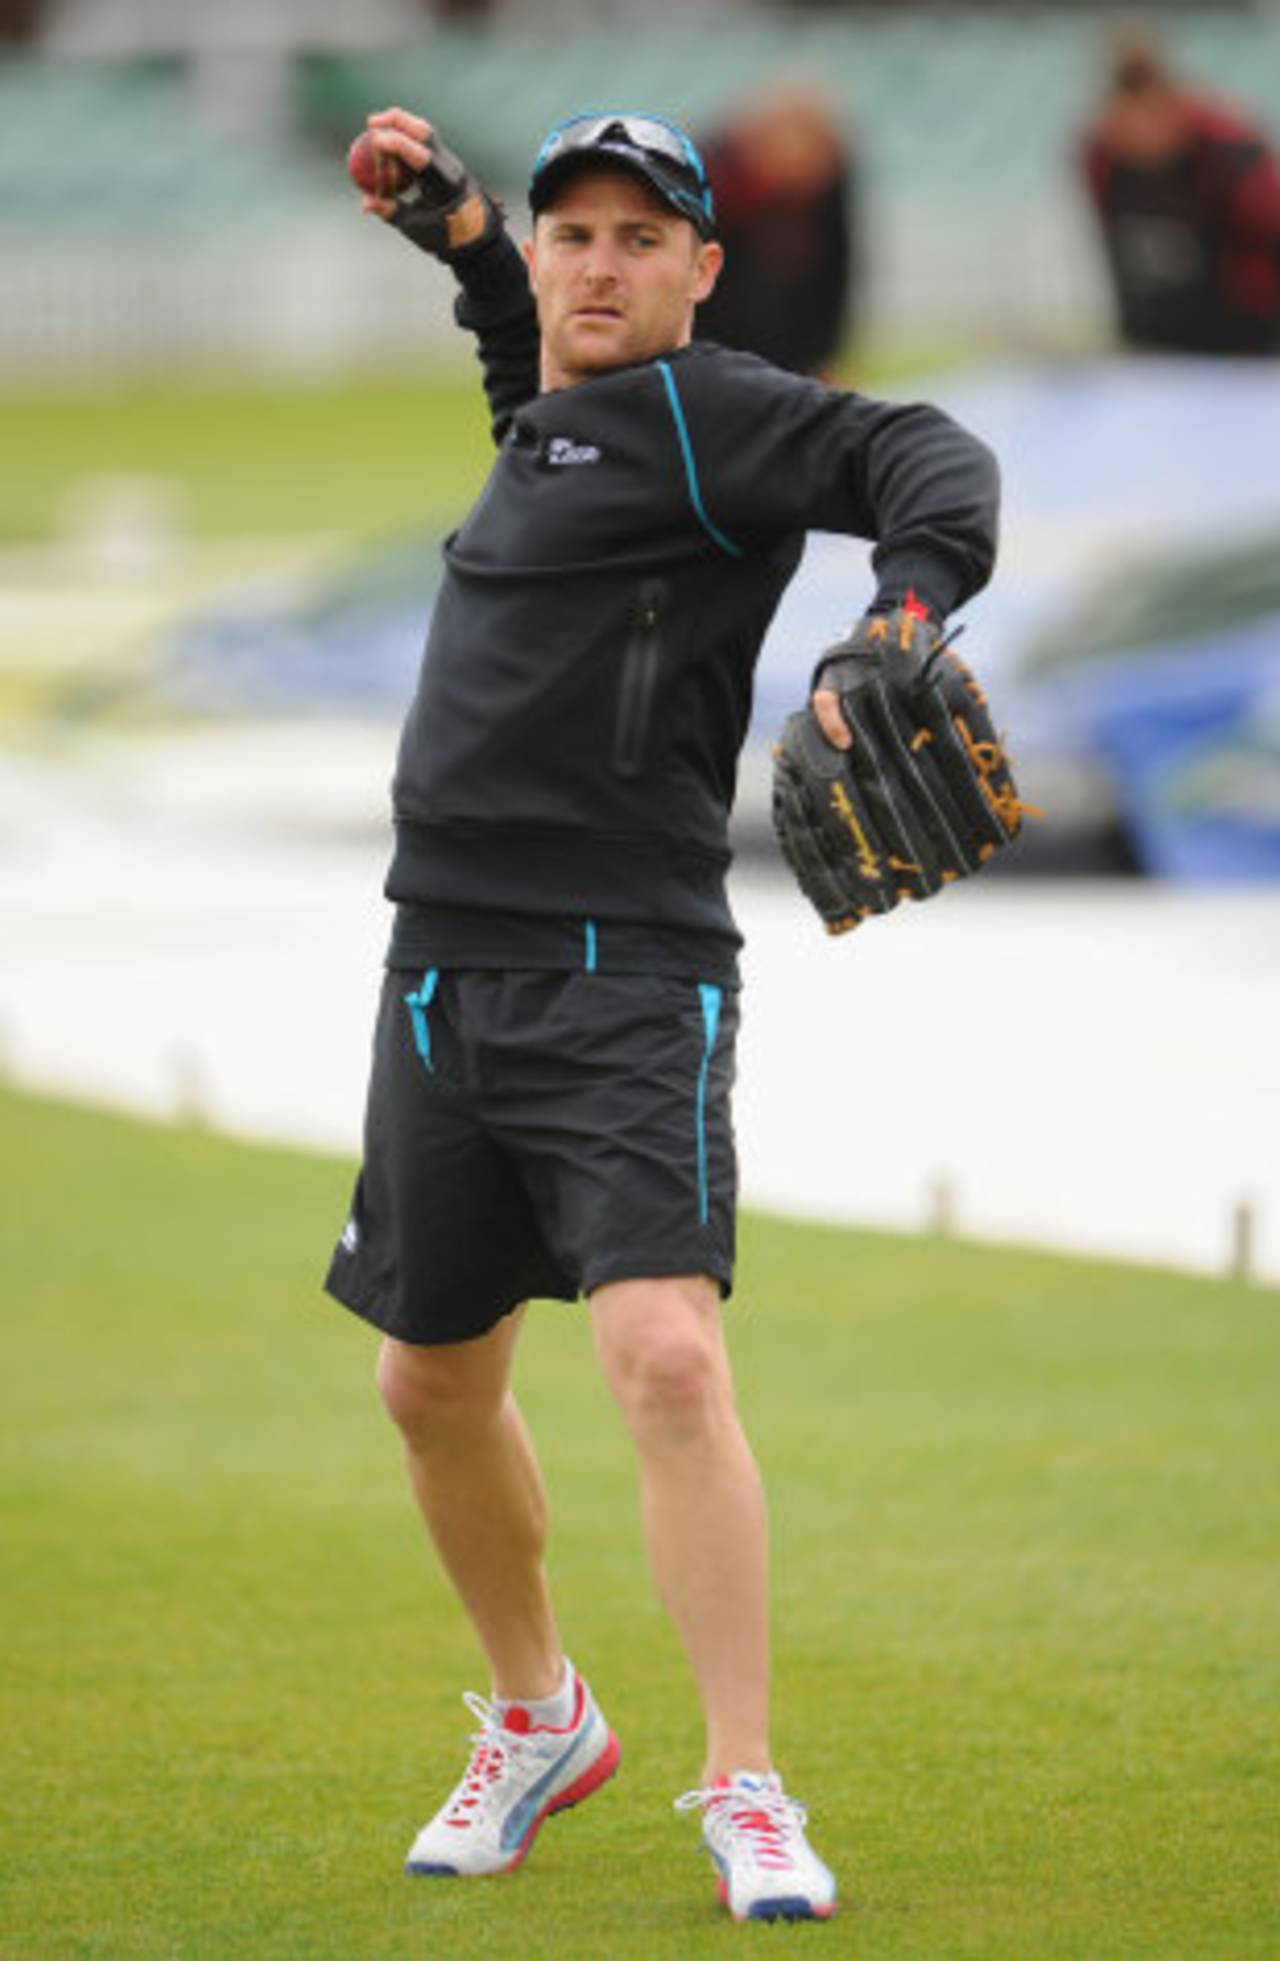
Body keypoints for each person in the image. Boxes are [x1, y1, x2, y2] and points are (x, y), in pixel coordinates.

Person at [326, 104, 998, 1925]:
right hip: (441, 967)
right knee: (428, 1381)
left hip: (629, 966)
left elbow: (929, 451)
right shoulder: (551, 411)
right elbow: (527, 369)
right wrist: (466, 232)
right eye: (572, 236)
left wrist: (903, 618)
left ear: (706, 269)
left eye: (642, 237)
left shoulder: (723, 417)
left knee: (668, 1361)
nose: (598, 264)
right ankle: (542, 1715)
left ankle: (745, 1781)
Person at [1078, 32, 1280, 356]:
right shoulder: (1103, 156)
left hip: (1249, 340)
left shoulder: (1232, 153)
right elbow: (1116, 251)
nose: (1140, 140)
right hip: (1162, 341)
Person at [694, 81, 857, 377]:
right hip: (716, 338)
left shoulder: (827, 183)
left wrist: (824, 355)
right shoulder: (714, 181)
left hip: (787, 343)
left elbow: (835, 275)